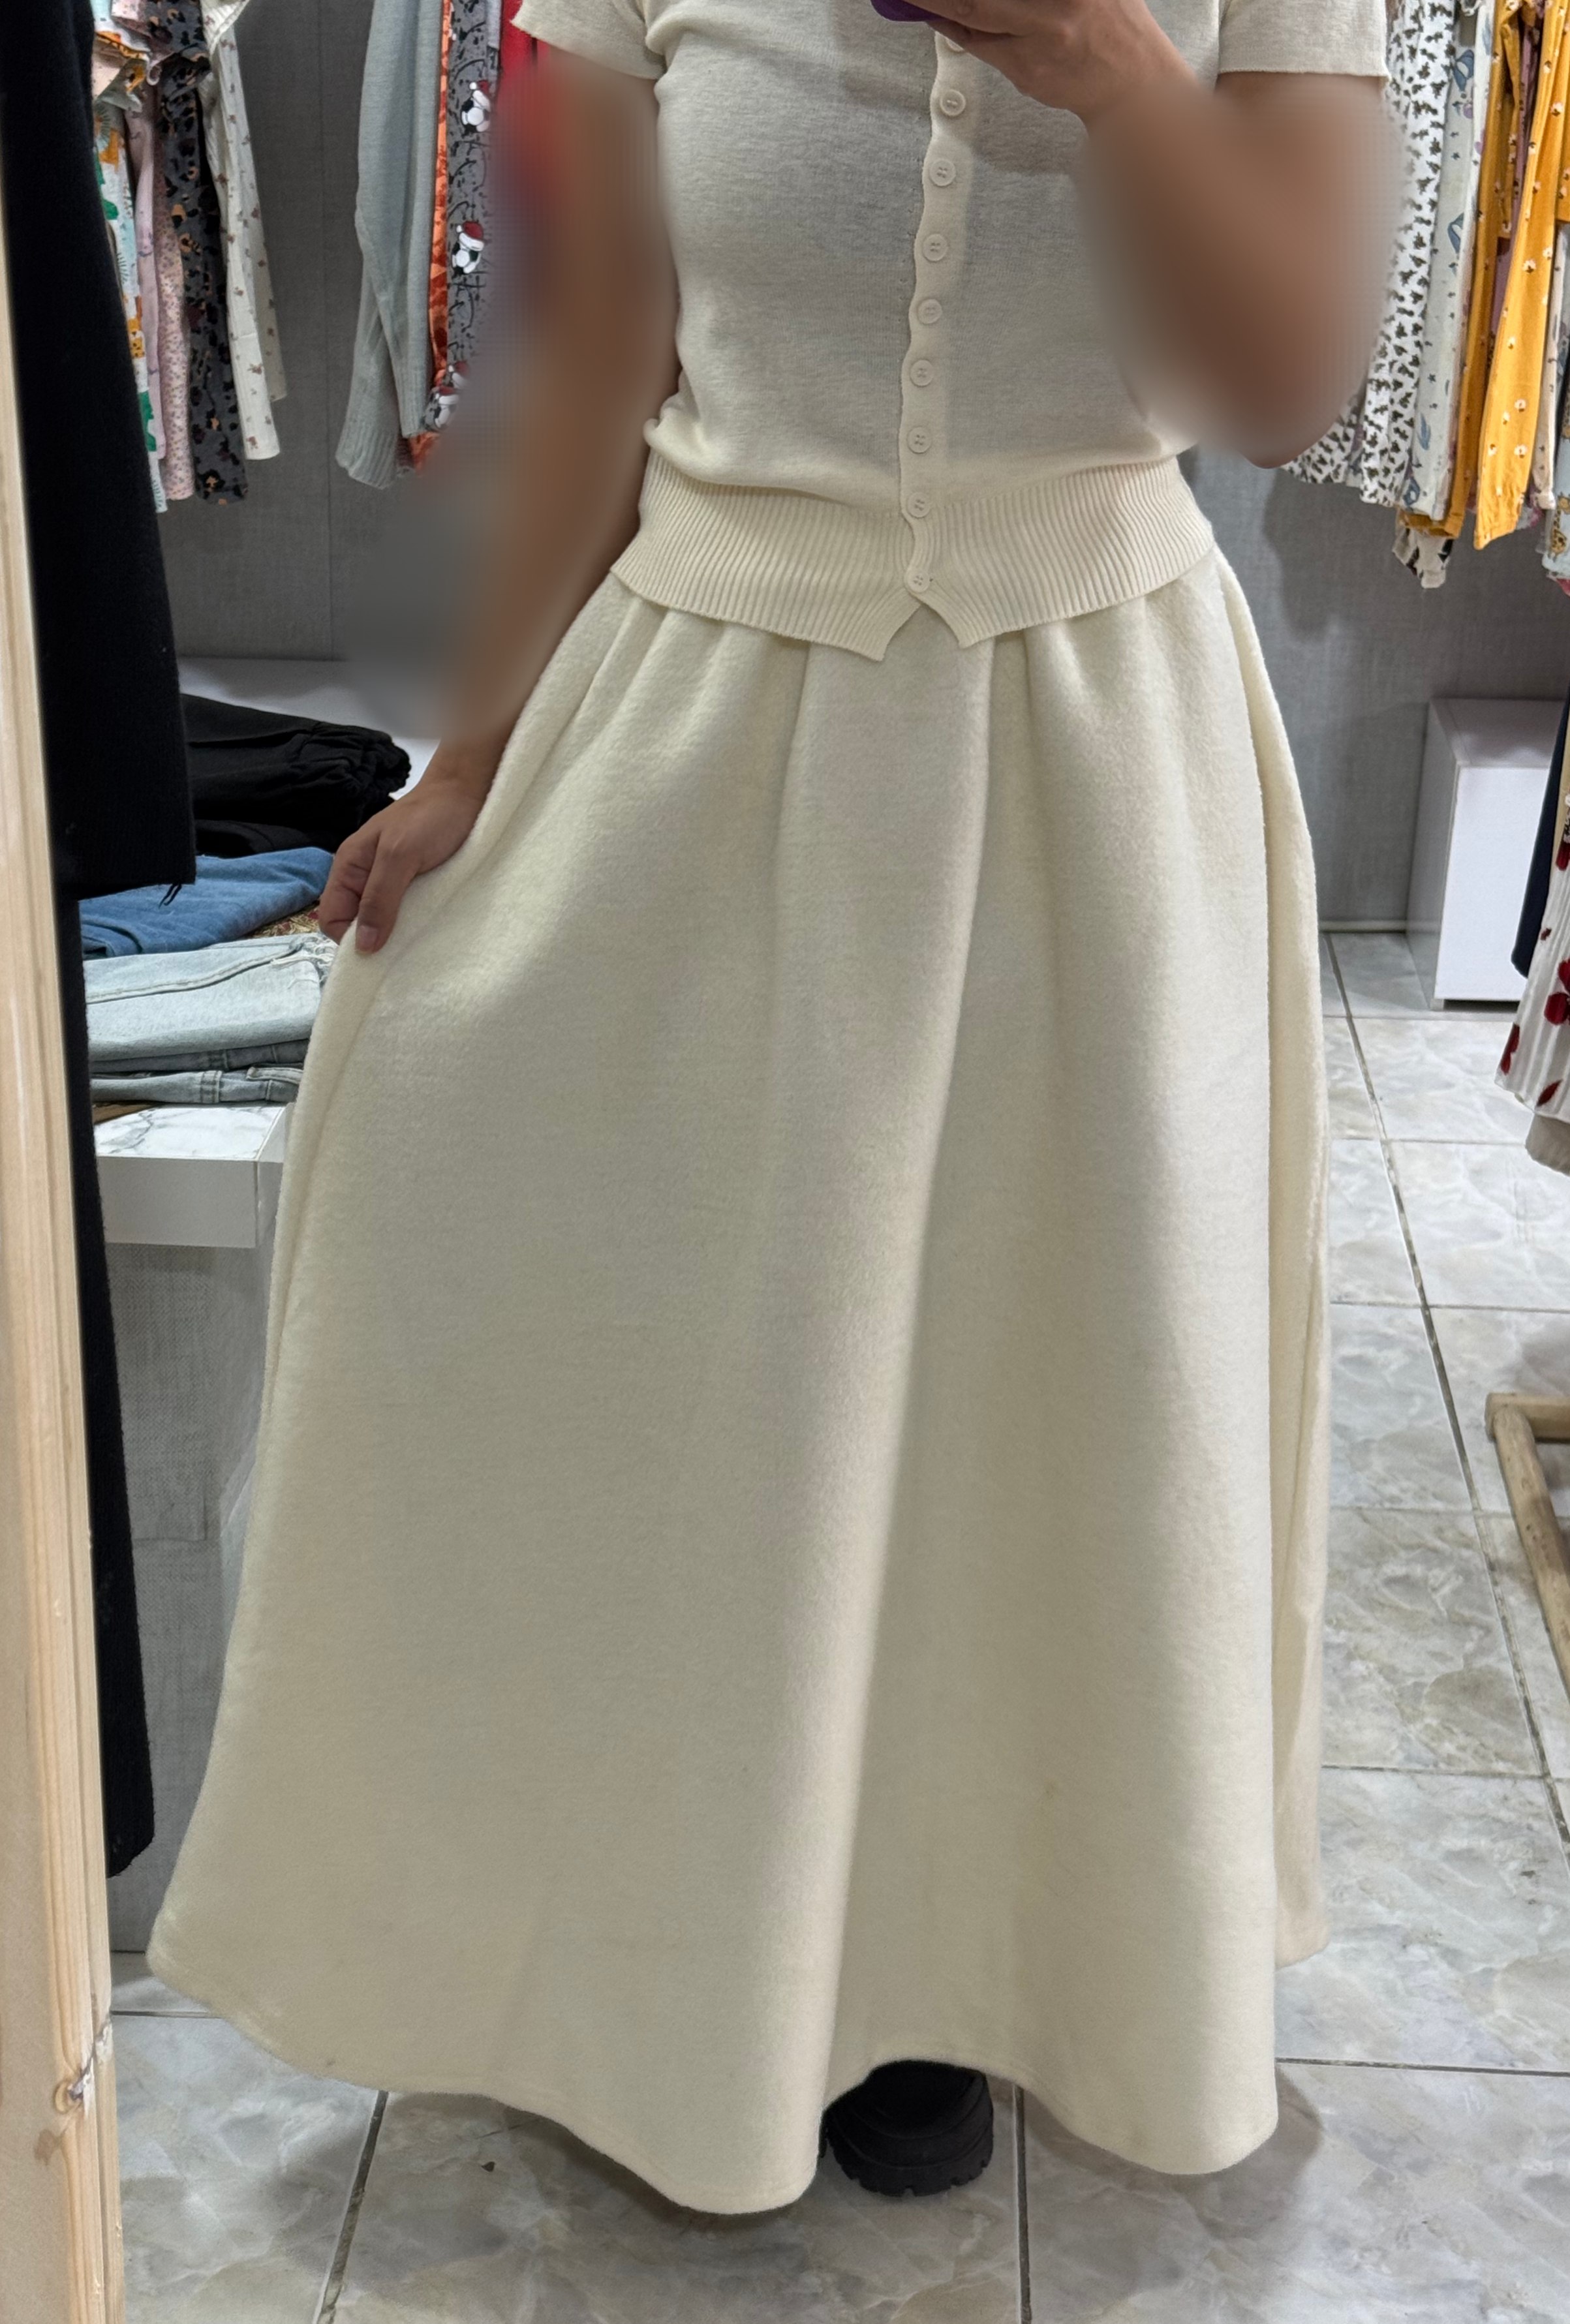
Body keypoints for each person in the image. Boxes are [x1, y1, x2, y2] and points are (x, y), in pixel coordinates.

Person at [149, 0, 1390, 2212]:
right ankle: (664, 1940)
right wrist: (469, 762)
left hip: (1095, 773)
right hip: (705, 724)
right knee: (685, 1384)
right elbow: (603, 363)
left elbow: (1293, 379)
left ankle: (944, 1970)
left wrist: (1118, 69)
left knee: (1040, 1413)